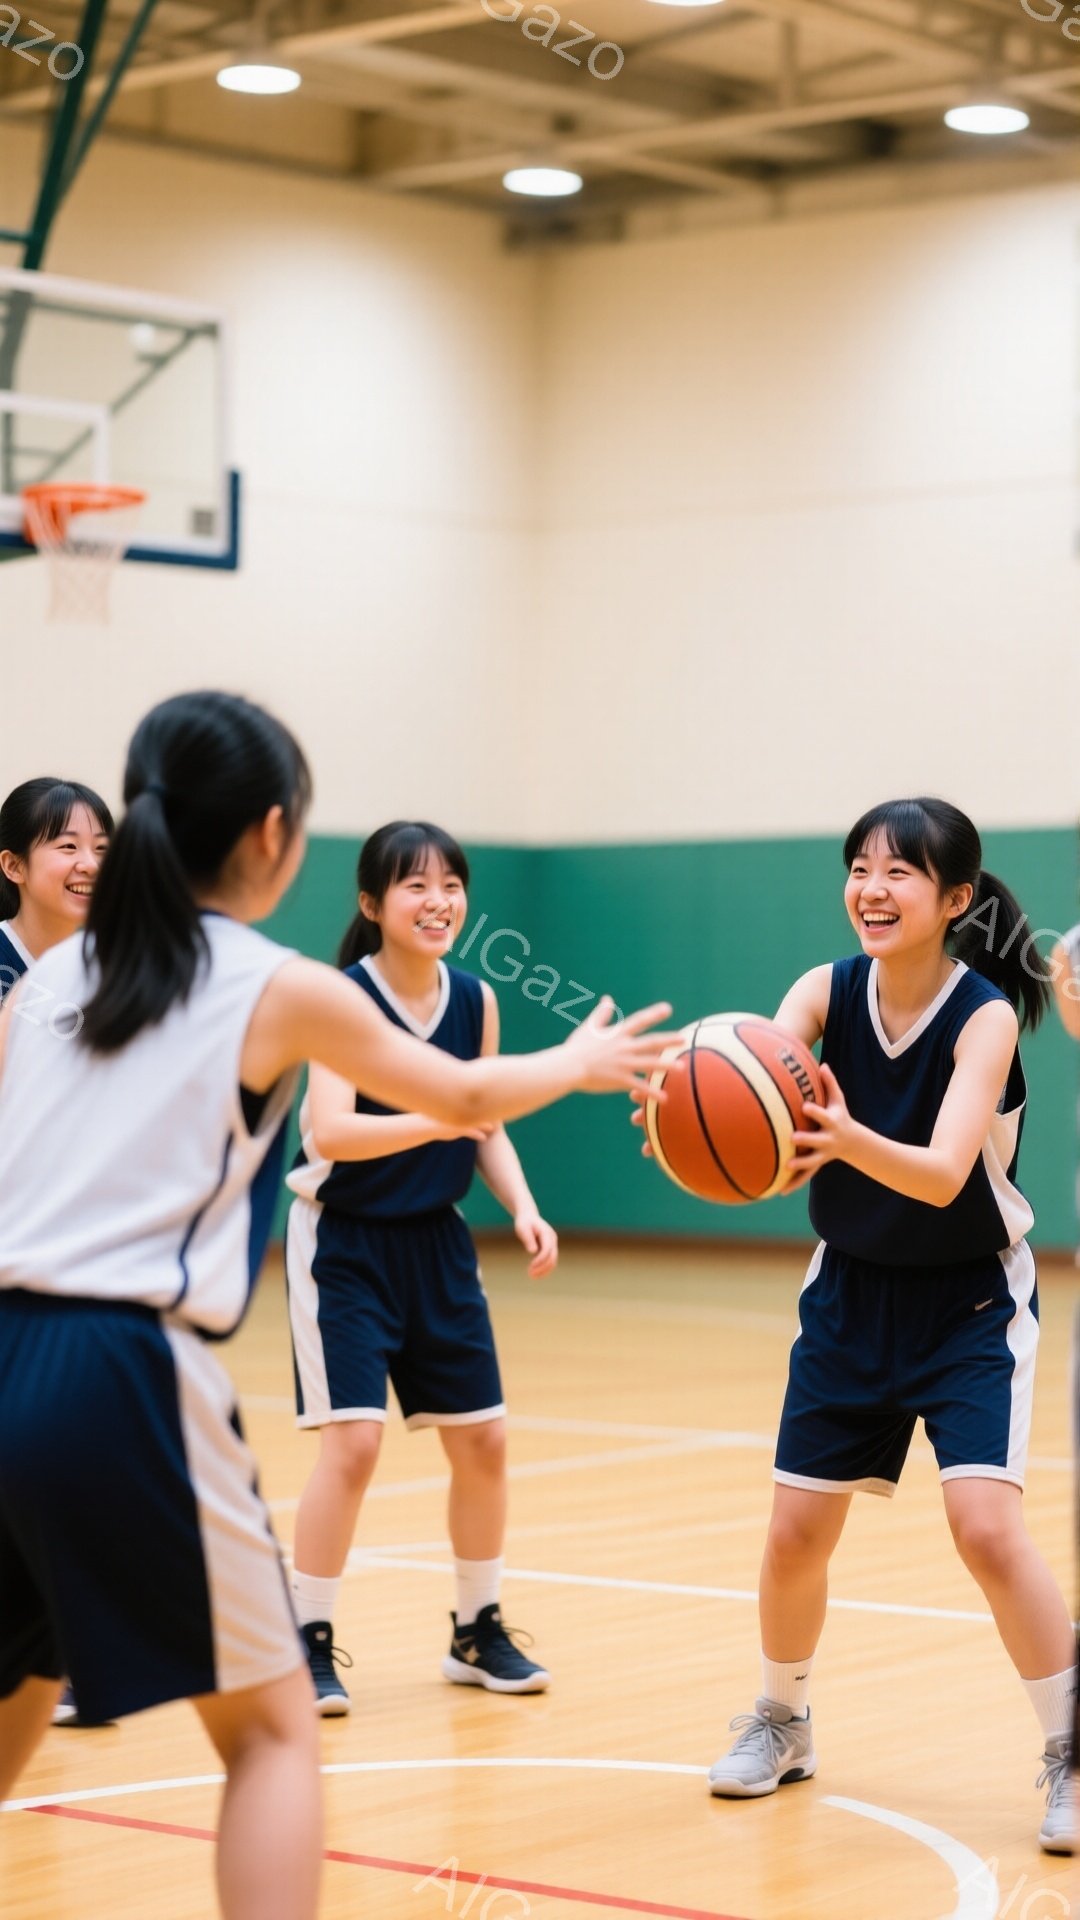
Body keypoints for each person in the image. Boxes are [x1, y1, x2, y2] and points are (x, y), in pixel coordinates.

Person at [0, 690, 671, 1920]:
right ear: (272, 837)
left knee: (26, 1674)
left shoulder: (48, 977)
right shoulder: (279, 983)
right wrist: (577, 1067)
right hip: (114, 1366)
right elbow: (462, 1098)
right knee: (269, 1738)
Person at [673, 797, 1076, 1853]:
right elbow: (751, 1070)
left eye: (901, 872)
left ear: (955, 898)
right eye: (859, 867)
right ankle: (783, 1717)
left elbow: (946, 1174)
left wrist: (841, 1134)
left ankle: (1071, 1746)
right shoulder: (825, 988)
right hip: (850, 1294)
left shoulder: (983, 1013)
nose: (872, 888)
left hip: (971, 1304)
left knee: (985, 1528)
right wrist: (682, 1092)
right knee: (795, 1532)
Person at [285, 821, 560, 1713]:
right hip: (345, 1243)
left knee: (483, 1439)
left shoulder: (475, 1002)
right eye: (414, 886)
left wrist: (521, 1205)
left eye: (451, 884)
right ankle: (305, 1640)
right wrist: (439, 1119)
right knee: (354, 1443)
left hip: (436, 1242)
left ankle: (476, 1631)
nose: (438, 901)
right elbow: (330, 1130)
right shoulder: (339, 999)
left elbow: (487, 1121)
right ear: (372, 905)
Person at [0, 776, 114, 1728]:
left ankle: (56, 1652)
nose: (86, 864)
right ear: (12, 866)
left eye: (101, 848)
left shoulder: (111, 974)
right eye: (64, 846)